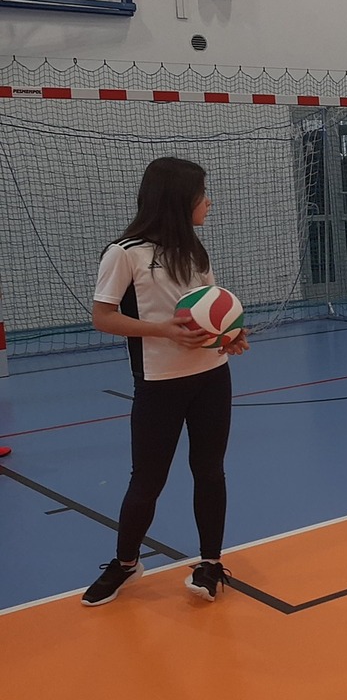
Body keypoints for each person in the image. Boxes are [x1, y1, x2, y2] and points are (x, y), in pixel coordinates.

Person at [81, 157, 249, 607]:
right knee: (147, 481)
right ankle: (125, 564)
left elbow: (213, 309)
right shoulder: (125, 253)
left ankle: (210, 563)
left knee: (209, 471)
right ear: (178, 199)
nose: (208, 202)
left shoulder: (195, 251)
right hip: (159, 383)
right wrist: (163, 331)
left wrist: (230, 336)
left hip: (212, 378)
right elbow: (103, 317)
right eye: (202, 194)